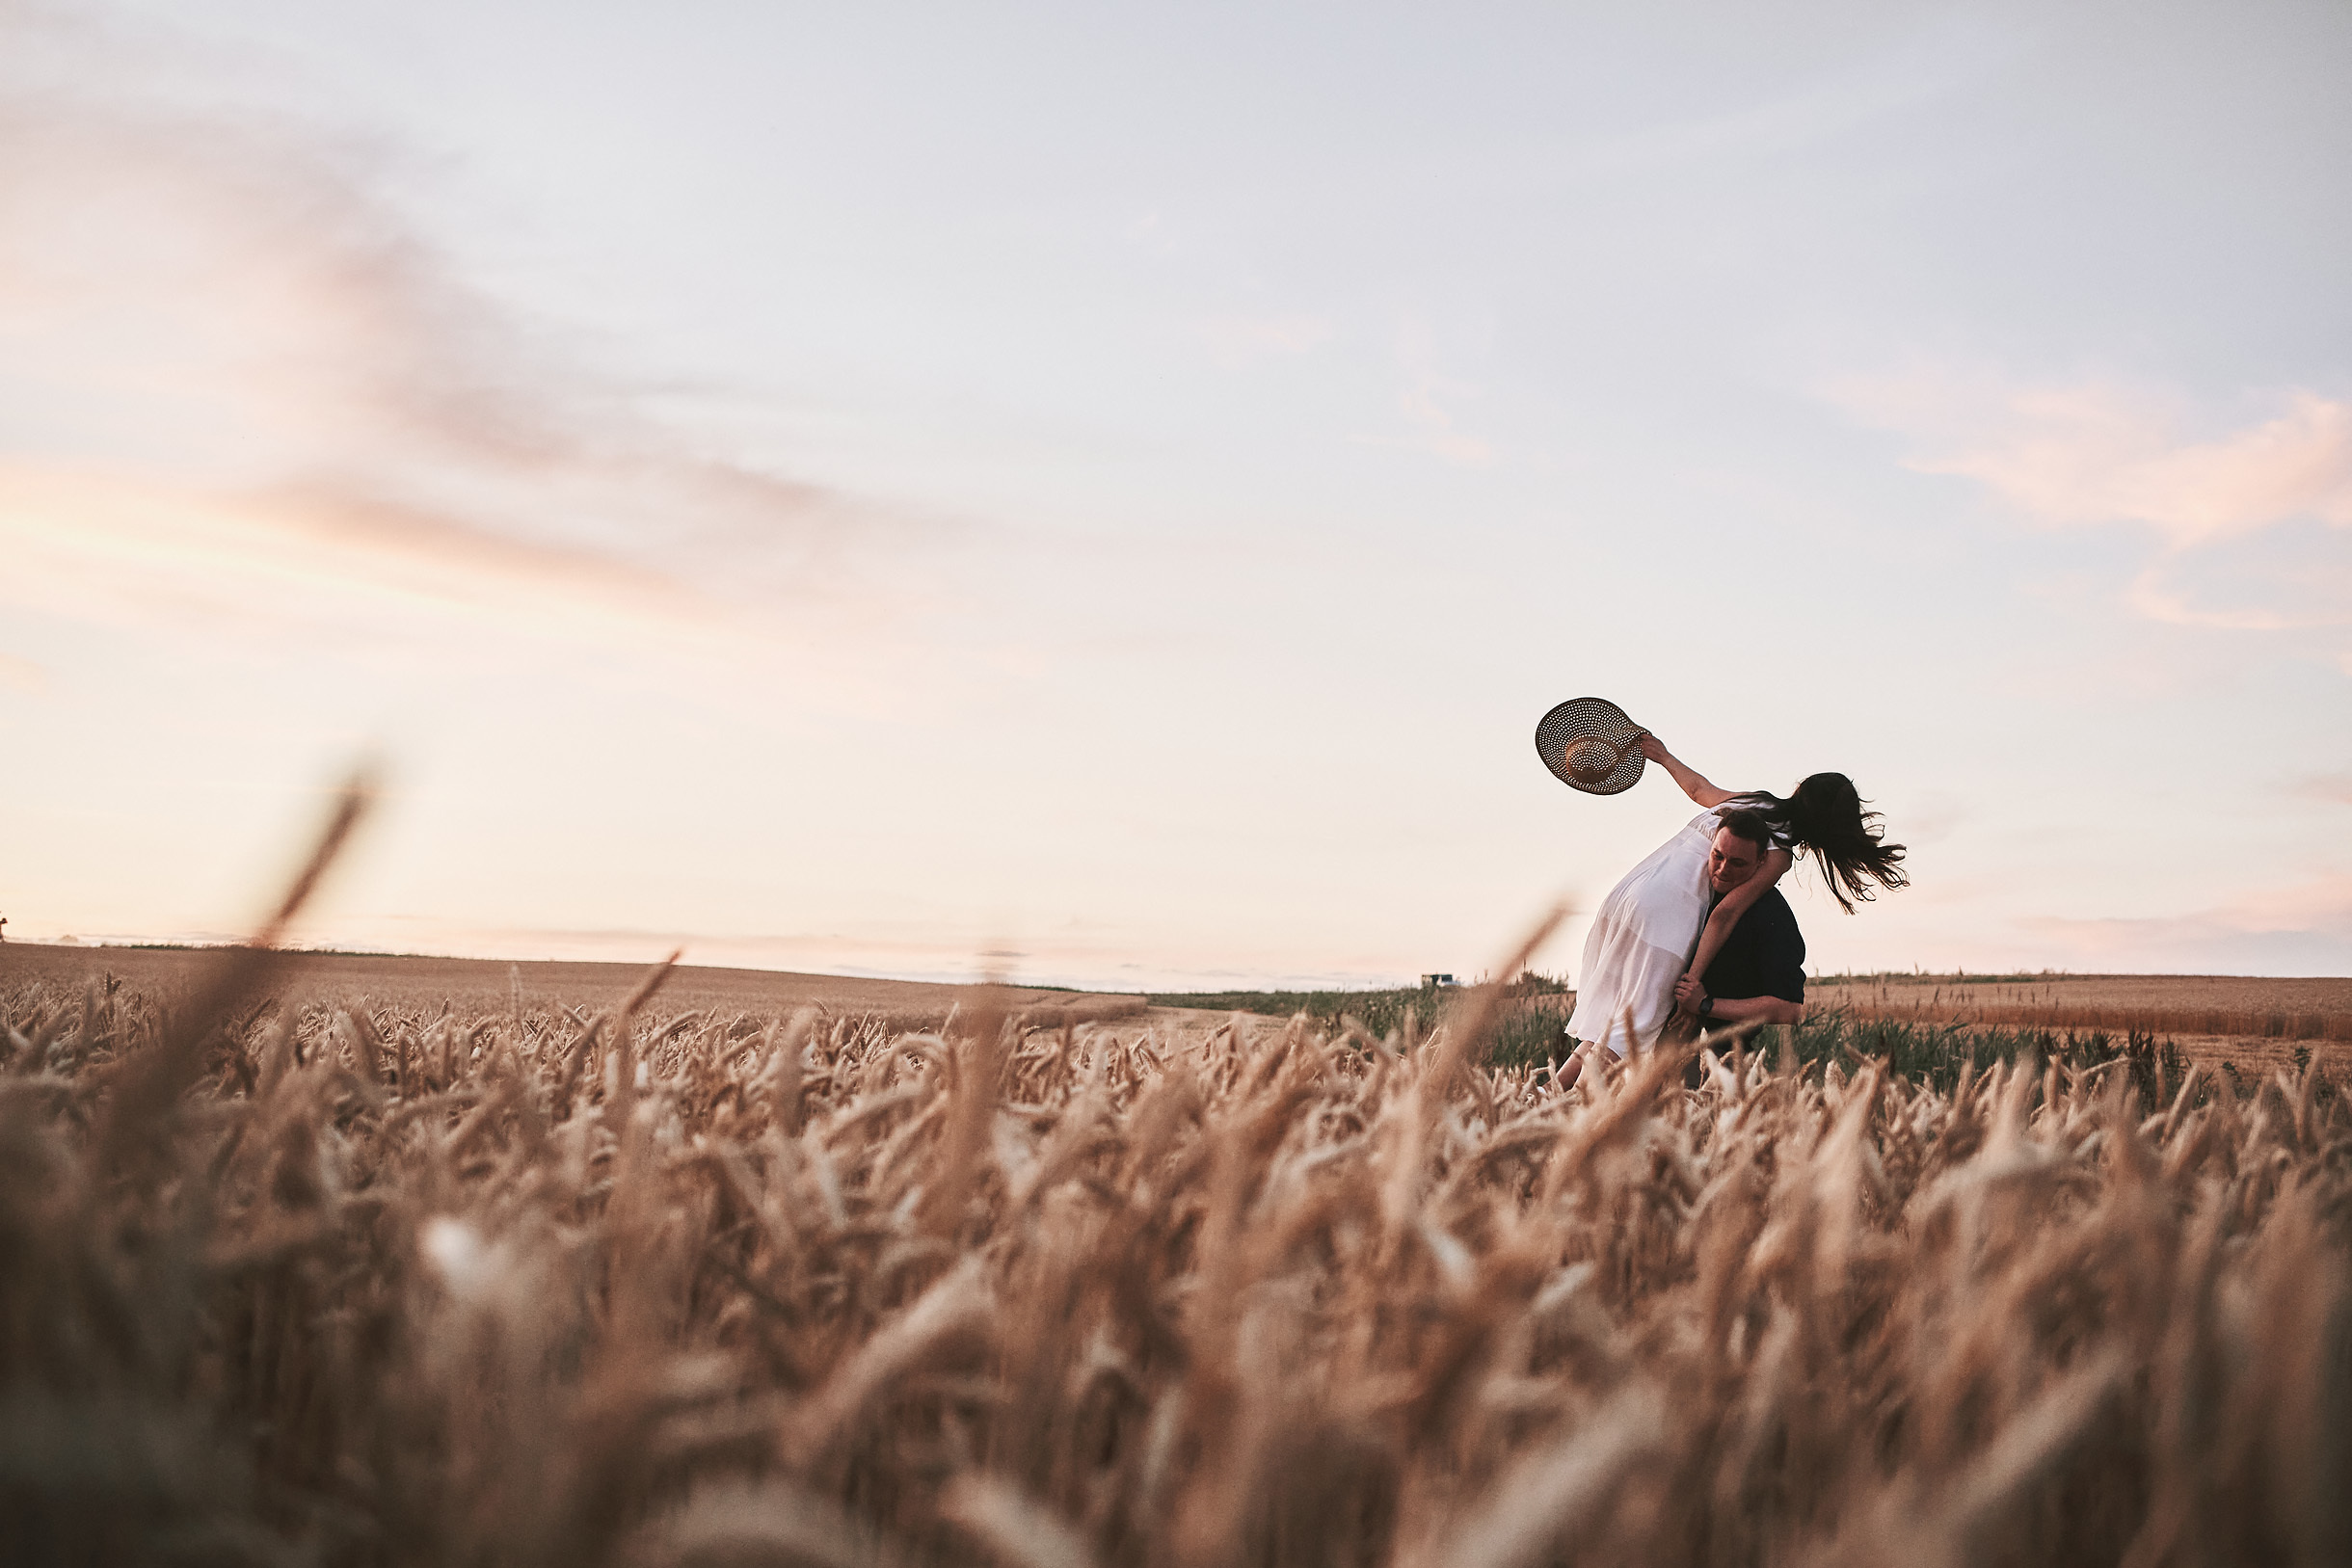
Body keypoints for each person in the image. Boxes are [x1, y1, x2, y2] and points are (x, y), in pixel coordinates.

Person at [1560, 733, 1906, 1066]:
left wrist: (1664, 756)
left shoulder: (1753, 801)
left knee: (1607, 1020)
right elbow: (1726, 913)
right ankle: (1572, 1108)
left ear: (1799, 791)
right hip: (1668, 912)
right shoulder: (1778, 852)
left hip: (1630, 891)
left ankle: (1549, 1095)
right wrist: (1691, 989)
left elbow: (1698, 790)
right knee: (1632, 1029)